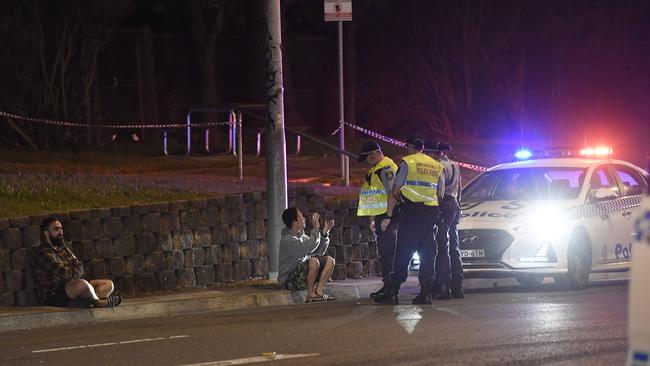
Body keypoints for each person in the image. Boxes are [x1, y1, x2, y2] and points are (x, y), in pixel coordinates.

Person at [376, 136, 445, 305]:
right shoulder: (436, 165)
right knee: (428, 253)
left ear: (410, 147)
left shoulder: (407, 162)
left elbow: (395, 189)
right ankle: (426, 292)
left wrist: (399, 202)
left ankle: (393, 292)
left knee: (403, 252)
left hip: (413, 213)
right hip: (431, 214)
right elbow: (440, 193)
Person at [30, 217, 122, 308]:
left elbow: (79, 266)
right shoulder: (42, 252)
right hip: (53, 293)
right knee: (82, 284)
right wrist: (74, 271)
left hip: (70, 285)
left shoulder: (62, 248)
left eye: (61, 229)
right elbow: (63, 273)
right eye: (56, 229)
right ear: (46, 233)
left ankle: (81, 302)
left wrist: (73, 271)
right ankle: (98, 302)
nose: (60, 232)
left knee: (108, 284)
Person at [356, 141, 398, 299]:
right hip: (381, 216)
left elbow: (393, 193)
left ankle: (391, 289)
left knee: (389, 254)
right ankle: (387, 286)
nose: (366, 161)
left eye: (367, 158)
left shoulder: (386, 169)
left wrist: (388, 217)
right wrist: (373, 217)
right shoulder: (377, 169)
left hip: (388, 217)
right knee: (385, 254)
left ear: (374, 154)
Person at [428, 142, 464, 299]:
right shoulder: (454, 165)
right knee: (454, 247)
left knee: (442, 247)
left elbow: (440, 190)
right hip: (454, 204)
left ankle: (443, 287)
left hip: (444, 205)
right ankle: (457, 287)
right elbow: (460, 188)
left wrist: (435, 206)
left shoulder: (438, 166)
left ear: (434, 153)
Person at [278, 207, 336, 302]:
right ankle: (310, 294)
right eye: (301, 216)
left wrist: (325, 233)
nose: (304, 218)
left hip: (301, 276)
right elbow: (309, 246)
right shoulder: (287, 240)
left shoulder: (302, 237)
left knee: (330, 261)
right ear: (295, 222)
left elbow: (318, 251)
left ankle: (318, 291)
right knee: (313, 261)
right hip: (289, 280)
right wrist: (316, 229)